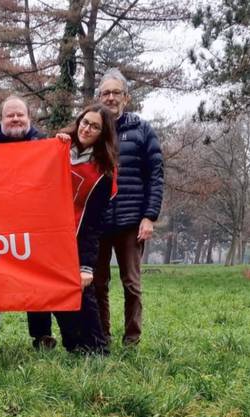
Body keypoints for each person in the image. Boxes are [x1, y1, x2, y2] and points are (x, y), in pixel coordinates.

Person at [0, 95, 56, 352]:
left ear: (29, 117)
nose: (16, 119)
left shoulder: (46, 146)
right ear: (2, 119)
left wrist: (63, 142)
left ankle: (42, 335)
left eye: (20, 114)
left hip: (33, 224)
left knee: (35, 277)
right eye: (10, 115)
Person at [93, 68, 164, 346]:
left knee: (131, 284)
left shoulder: (142, 129)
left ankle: (132, 338)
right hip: (98, 221)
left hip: (131, 220)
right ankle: (103, 337)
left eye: (115, 93)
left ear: (126, 97)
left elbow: (156, 174)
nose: (110, 98)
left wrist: (150, 216)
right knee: (98, 285)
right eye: (105, 93)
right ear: (99, 97)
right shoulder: (94, 128)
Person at [53, 103, 118, 354]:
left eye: (95, 126)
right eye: (85, 122)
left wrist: (86, 265)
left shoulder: (104, 172)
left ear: (103, 134)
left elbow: (94, 222)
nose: (87, 129)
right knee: (55, 293)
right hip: (49, 236)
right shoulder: (59, 149)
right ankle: (73, 345)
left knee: (83, 291)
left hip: (78, 238)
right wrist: (55, 144)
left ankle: (98, 347)